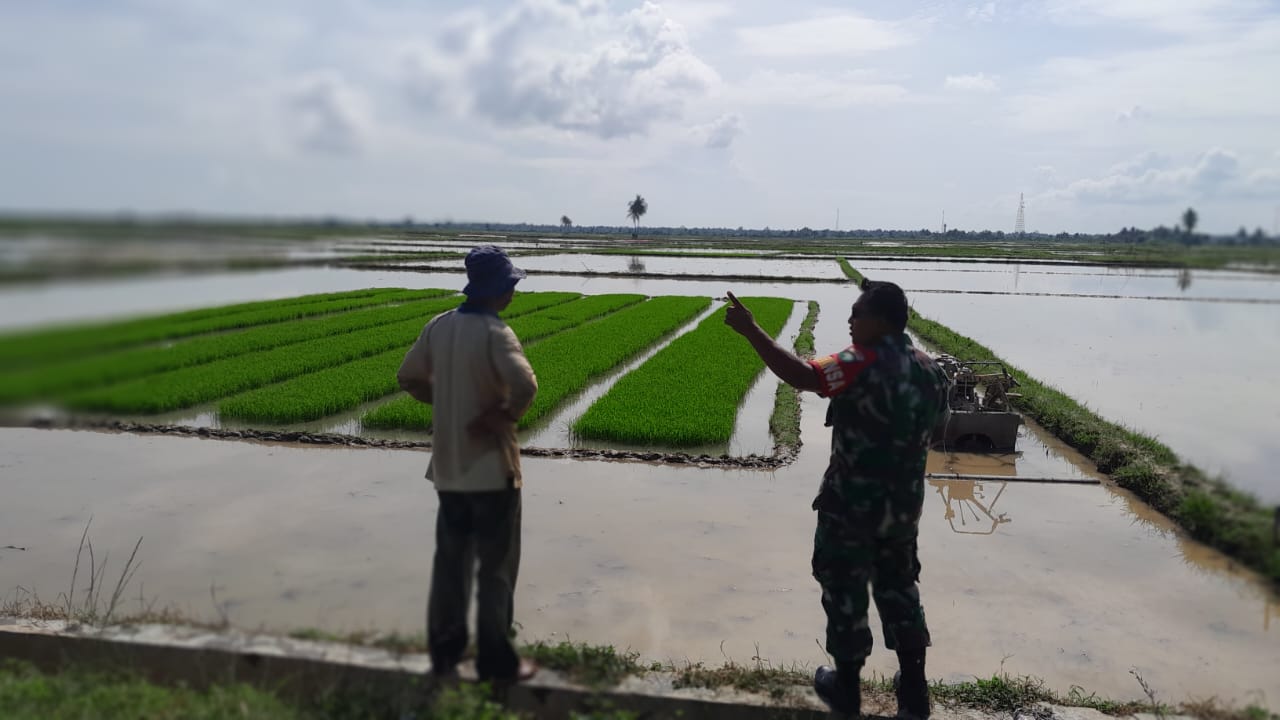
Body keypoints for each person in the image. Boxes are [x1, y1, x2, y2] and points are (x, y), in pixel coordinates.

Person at [724, 281, 948, 719]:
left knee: (845, 589)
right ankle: (915, 692)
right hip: (903, 509)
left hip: (850, 509)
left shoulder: (856, 361)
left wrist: (752, 330)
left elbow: (802, 375)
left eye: (857, 313)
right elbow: (938, 432)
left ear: (882, 320)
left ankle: (846, 689)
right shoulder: (932, 370)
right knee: (900, 588)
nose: (850, 320)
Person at [396, 245, 539, 683]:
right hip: (492, 472)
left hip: (449, 471)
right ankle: (496, 663)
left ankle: (444, 656)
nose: (513, 292)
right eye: (511, 285)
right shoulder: (497, 333)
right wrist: (498, 416)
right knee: (495, 569)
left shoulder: (439, 326)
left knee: (451, 566)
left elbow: (408, 377)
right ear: (500, 290)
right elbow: (525, 386)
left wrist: (448, 402)